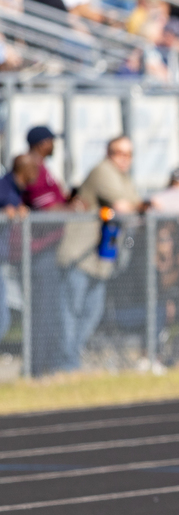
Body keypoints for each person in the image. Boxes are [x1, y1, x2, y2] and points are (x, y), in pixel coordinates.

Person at [57, 135, 143, 371]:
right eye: (119, 153)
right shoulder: (102, 171)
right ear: (109, 152)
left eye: (129, 154)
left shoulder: (123, 177)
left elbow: (137, 204)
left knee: (91, 313)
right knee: (71, 312)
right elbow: (126, 207)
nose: (124, 159)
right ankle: (65, 365)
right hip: (79, 256)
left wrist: (141, 206)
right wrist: (140, 207)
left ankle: (71, 360)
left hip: (101, 259)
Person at [22, 126, 69, 376]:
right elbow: (46, 210)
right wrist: (72, 209)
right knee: (42, 311)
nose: (54, 145)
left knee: (51, 310)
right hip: (39, 251)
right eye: (51, 141)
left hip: (50, 249)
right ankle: (37, 368)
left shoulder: (43, 168)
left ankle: (47, 366)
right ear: (41, 143)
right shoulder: (32, 168)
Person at [0, 155, 40, 344]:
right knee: (2, 318)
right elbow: (7, 208)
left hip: (5, 258)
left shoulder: (18, 189)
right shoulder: (5, 187)